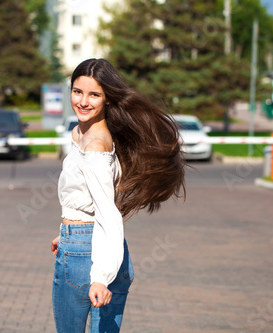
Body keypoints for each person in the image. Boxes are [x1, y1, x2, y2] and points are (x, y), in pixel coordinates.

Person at [51, 58, 186, 332]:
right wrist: (69, 230)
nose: (83, 101)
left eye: (94, 95)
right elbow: (93, 199)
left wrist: (100, 277)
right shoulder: (83, 133)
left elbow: (108, 213)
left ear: (108, 99)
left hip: (90, 260)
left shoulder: (95, 145)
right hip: (94, 246)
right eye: (78, 91)